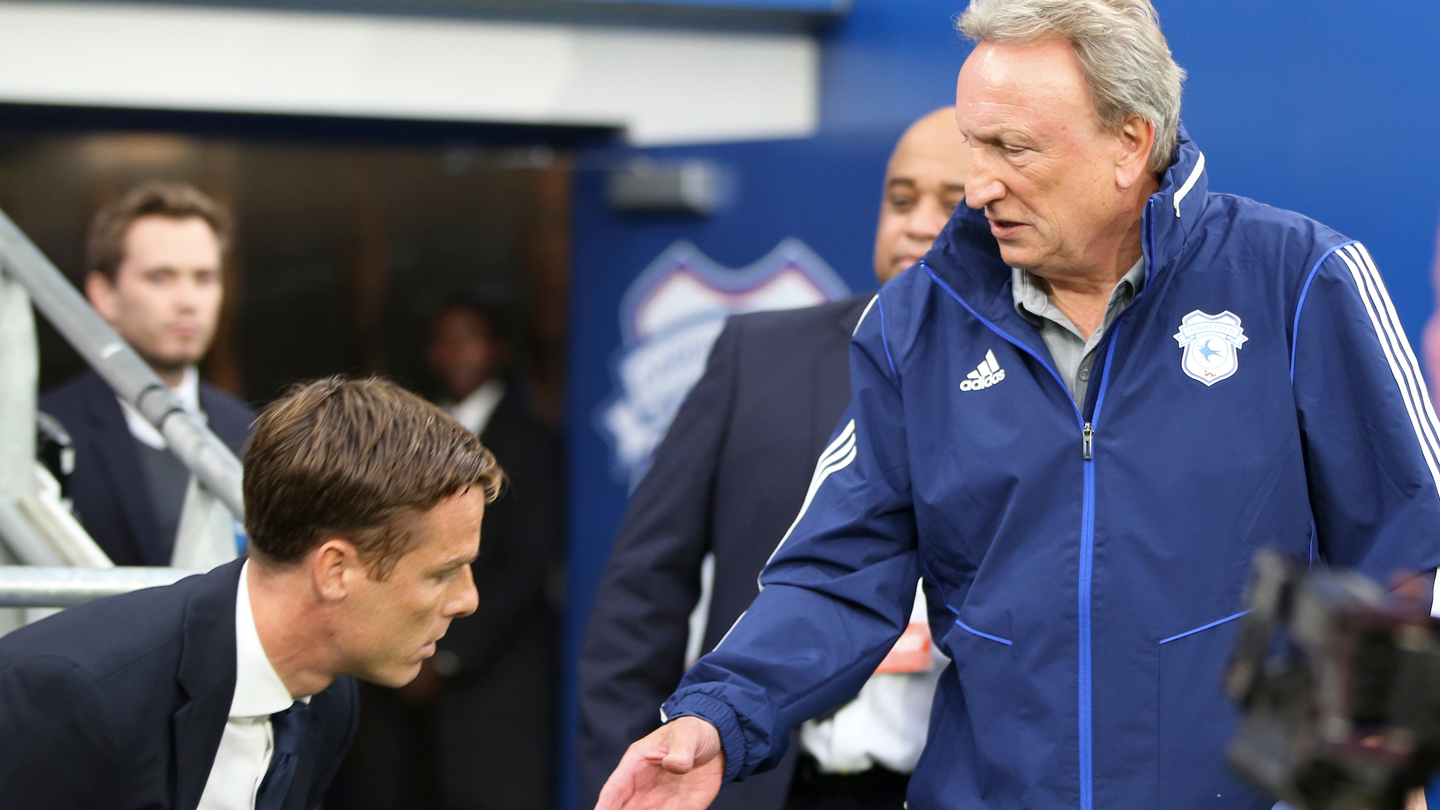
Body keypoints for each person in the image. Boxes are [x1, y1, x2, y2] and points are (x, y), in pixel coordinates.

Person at [596, 2, 1440, 810]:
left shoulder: (1300, 281)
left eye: (1014, 148)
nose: (979, 185)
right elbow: (833, 574)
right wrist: (720, 714)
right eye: (975, 144)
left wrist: (1367, 769)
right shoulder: (917, 323)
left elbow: (1408, 551)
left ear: (1129, 143)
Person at [578, 108, 968, 810]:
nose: (916, 223)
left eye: (953, 202)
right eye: (902, 198)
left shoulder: (1045, 393)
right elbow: (641, 598)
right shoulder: (757, 359)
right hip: (767, 787)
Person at [0, 375, 502, 810]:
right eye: (443, 572)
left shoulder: (331, 695)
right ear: (335, 570)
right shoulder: (77, 699)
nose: (468, 599)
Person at [332, 296, 563, 810]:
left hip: (493, 684)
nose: (456, 352)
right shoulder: (403, 437)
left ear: (499, 350)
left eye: (469, 338)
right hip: (398, 680)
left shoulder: (531, 441)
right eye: (444, 339)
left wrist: (450, 655)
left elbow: (527, 565)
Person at [41, 181, 254, 566]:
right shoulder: (45, 433)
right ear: (104, 295)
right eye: (160, 277)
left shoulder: (251, 433)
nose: (188, 302)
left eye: (204, 278)